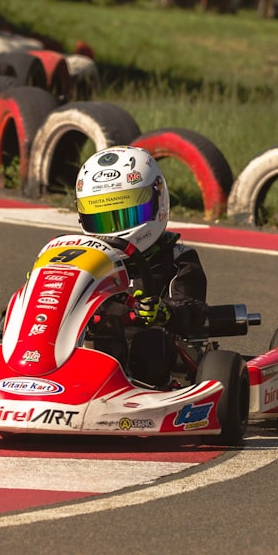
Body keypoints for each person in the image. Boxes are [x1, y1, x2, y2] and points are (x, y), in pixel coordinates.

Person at [74, 145, 209, 389]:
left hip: (156, 354)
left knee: (150, 342)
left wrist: (166, 311)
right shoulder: (82, 257)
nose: (115, 229)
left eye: (126, 215)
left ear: (158, 201)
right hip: (90, 341)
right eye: (103, 219)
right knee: (103, 328)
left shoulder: (177, 257)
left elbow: (194, 308)